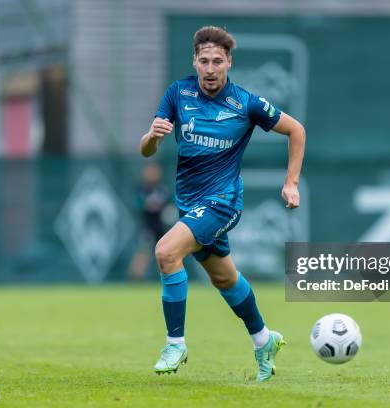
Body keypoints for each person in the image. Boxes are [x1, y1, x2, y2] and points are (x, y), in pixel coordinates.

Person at [139, 26, 306, 382]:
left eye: (218, 60)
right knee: (224, 278)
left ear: (229, 62)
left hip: (223, 203)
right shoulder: (177, 93)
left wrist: (290, 182)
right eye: (204, 61)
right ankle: (264, 339)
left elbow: (296, 130)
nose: (211, 68)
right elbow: (146, 150)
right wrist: (151, 137)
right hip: (191, 205)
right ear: (194, 62)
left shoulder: (245, 103)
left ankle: (175, 343)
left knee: (167, 252)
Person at [128, 163, 172, 280]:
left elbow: (169, 206)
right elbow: (137, 205)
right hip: (148, 227)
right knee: (143, 252)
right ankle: (135, 279)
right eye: (150, 172)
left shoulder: (162, 189)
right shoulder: (142, 189)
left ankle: (164, 278)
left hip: (161, 228)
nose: (153, 175)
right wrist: (147, 205)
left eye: (155, 172)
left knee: (164, 254)